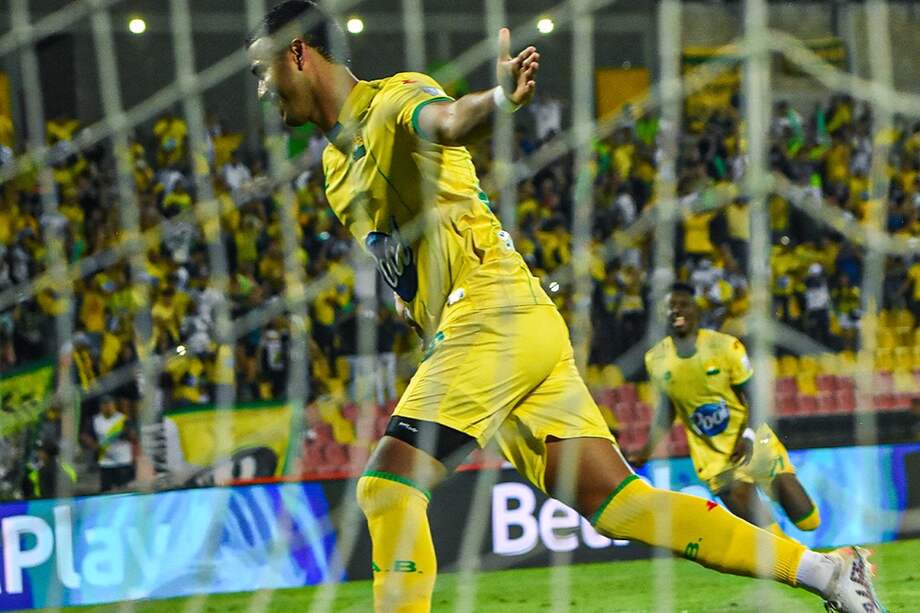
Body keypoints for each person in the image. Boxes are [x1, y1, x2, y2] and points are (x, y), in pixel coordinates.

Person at [246, 3, 883, 612]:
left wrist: (497, 100)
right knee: (621, 505)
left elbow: (446, 121)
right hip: (505, 328)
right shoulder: (335, 167)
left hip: (492, 315)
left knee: (387, 485)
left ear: (296, 53)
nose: (261, 89)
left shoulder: (391, 100)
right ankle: (827, 571)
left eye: (261, 71)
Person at [631, 283, 821, 540]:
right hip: (715, 461)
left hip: (756, 442)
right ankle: (809, 569)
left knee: (809, 521)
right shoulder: (655, 359)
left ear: (697, 309)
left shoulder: (726, 347)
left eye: (683, 304)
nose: (676, 311)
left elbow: (755, 396)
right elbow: (667, 410)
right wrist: (645, 452)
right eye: (669, 307)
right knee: (771, 541)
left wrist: (749, 437)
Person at [81, 395, 136, 492]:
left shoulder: (123, 419)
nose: (108, 407)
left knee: (123, 490)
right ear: (100, 407)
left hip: (123, 461)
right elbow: (85, 435)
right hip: (106, 462)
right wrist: (93, 445)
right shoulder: (95, 420)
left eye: (110, 404)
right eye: (105, 405)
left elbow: (133, 437)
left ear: (114, 405)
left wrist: (128, 433)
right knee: (106, 491)